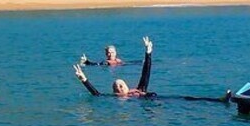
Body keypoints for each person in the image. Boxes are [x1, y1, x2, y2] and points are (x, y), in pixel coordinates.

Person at [74, 37, 231, 102]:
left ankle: (219, 100)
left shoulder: (139, 88)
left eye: (121, 84)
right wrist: (84, 80)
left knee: (189, 99)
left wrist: (148, 52)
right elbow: (96, 94)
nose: (120, 86)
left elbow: (146, 72)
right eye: (117, 86)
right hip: (154, 105)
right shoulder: (119, 99)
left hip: (161, 100)